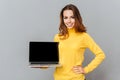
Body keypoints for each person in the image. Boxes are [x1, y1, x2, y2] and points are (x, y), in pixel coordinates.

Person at [53, 4, 106, 80]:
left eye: (72, 17)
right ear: (63, 19)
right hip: (58, 78)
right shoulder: (57, 37)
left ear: (77, 18)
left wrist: (85, 69)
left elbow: (101, 55)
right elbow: (55, 60)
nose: (69, 21)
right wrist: (43, 65)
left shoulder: (83, 36)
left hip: (76, 78)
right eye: (66, 18)